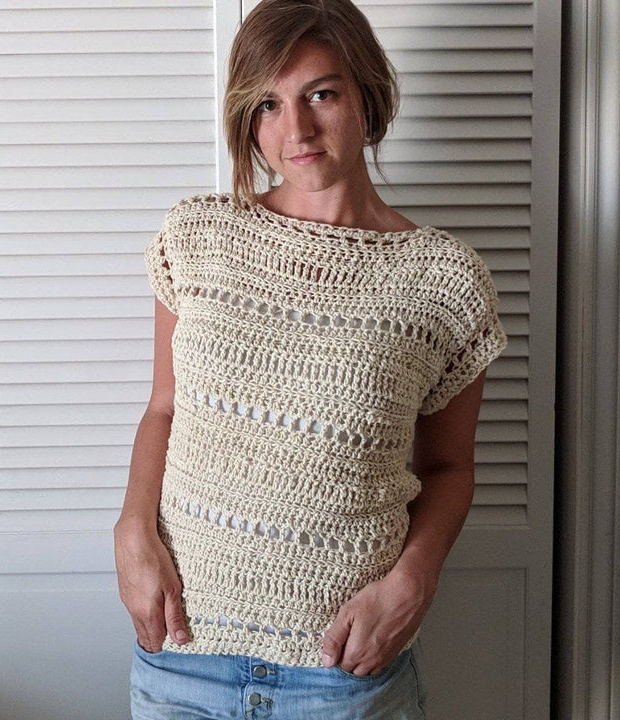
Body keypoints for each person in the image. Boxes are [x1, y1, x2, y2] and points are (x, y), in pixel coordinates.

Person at [114, 0, 508, 717]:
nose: (293, 129)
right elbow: (163, 409)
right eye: (267, 104)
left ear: (367, 96)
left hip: (342, 674)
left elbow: (449, 467)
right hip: (180, 655)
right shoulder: (198, 237)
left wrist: (413, 583)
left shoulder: (443, 281)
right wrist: (131, 529)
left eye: (320, 93)